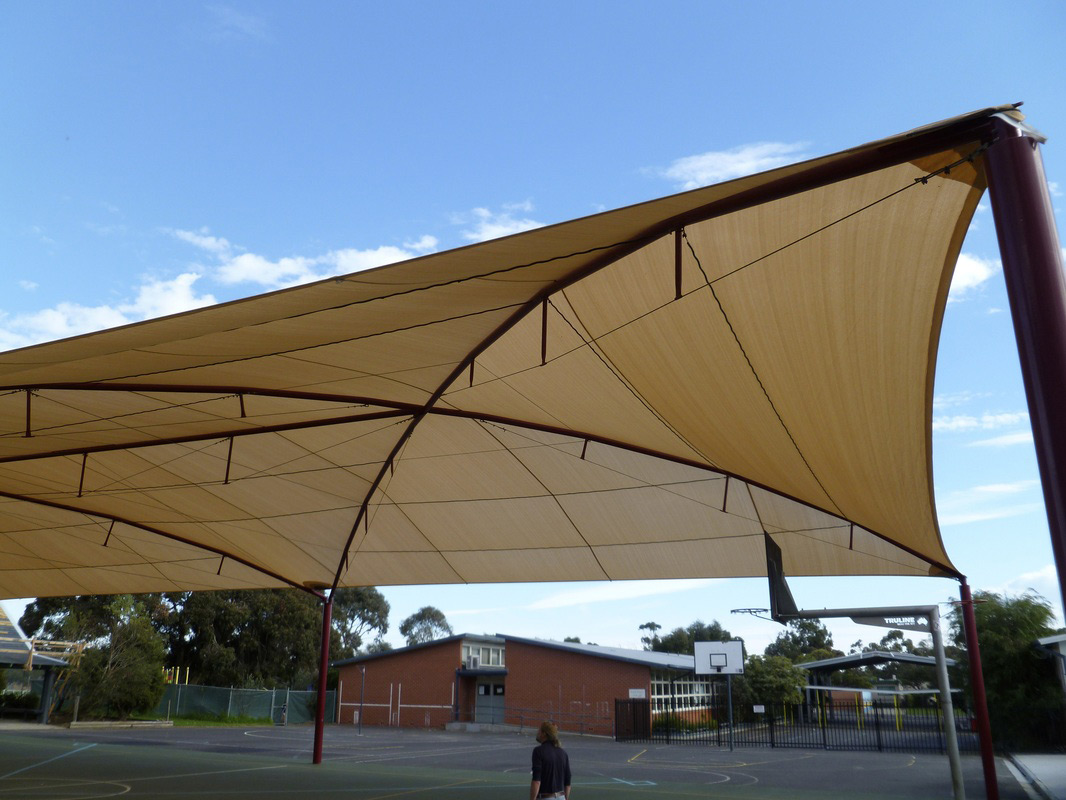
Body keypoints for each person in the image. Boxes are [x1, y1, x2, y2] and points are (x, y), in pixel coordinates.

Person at [529, 720, 571, 800]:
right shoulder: (563, 753)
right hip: (561, 797)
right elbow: (567, 781)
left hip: (545, 797)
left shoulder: (538, 751)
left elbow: (537, 781)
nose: (537, 732)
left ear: (544, 733)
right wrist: (566, 798)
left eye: (539, 730)